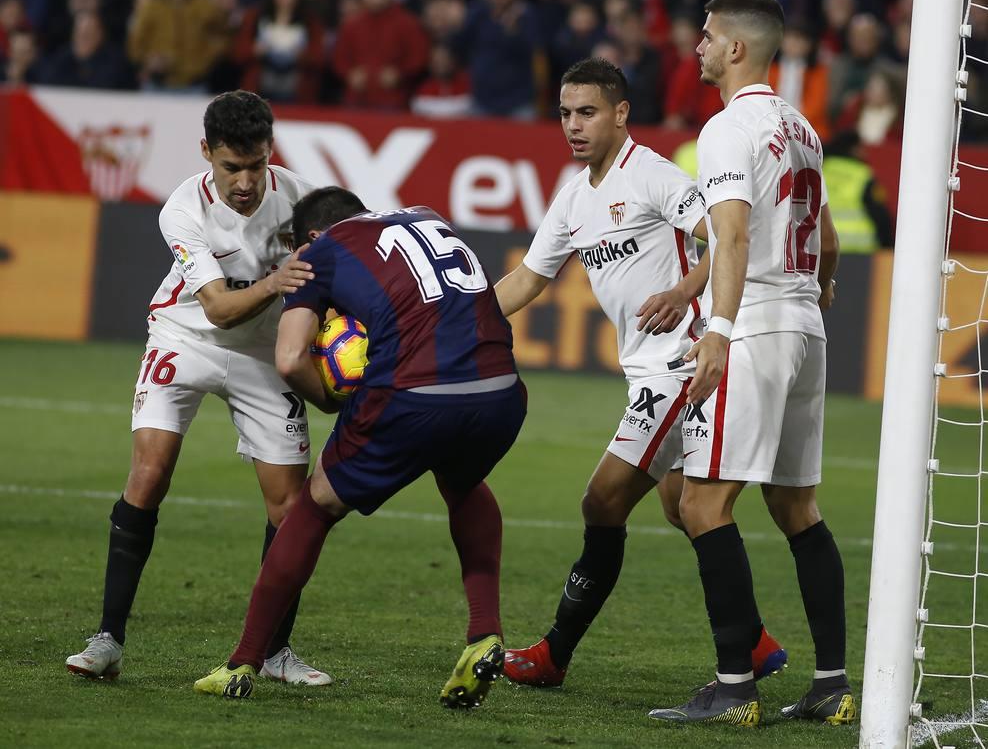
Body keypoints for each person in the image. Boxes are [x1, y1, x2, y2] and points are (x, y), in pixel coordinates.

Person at [495, 57, 786, 688]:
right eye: (566, 113)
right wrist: (453, 319)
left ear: (621, 113)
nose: (574, 125)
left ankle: (553, 654)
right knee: (682, 507)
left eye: (588, 112)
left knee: (601, 499)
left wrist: (684, 291)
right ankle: (756, 642)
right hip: (647, 371)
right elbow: (525, 280)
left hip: (682, 364)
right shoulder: (574, 197)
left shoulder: (653, 175)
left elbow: (725, 235)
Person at [193, 188, 527, 708]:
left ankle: (242, 663)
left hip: (413, 397)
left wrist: (330, 401)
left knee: (314, 506)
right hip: (501, 392)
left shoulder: (318, 254)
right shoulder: (426, 216)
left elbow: (289, 358)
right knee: (462, 482)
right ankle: (485, 632)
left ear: (308, 238)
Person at [65, 91, 331, 687]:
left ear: (271, 152)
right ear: (206, 151)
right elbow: (216, 309)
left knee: (289, 506)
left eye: (256, 165)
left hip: (265, 355)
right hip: (186, 337)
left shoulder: (303, 200)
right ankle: (107, 639)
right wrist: (277, 282)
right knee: (149, 472)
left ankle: (275, 651)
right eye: (232, 167)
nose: (245, 182)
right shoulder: (183, 210)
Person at [647, 0, 852, 727]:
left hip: (755, 326)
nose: (698, 47)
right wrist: (821, 289)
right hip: (804, 327)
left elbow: (729, 237)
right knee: (797, 507)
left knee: (702, 504)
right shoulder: (802, 127)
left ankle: (734, 687)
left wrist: (719, 330)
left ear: (736, 48)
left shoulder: (728, 128)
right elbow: (829, 238)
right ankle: (831, 684)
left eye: (707, 36)